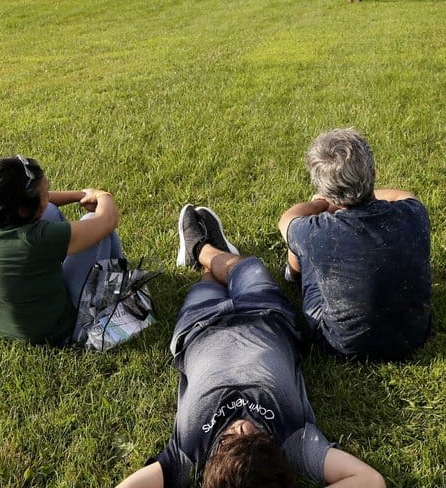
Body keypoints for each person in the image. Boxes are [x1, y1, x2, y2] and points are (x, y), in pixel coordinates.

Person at [116, 205, 385, 488]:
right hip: (265, 314)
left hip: (201, 325)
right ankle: (206, 251)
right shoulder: (296, 442)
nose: (242, 426)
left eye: (229, 439)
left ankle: (202, 253)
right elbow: (370, 480)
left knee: (208, 283)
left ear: (212, 461)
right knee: (249, 267)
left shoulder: (188, 452)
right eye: (257, 436)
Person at [279, 128, 431, 361]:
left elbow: (287, 220)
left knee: (302, 242)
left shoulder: (316, 231)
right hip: (412, 333)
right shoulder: (413, 212)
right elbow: (405, 195)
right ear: (373, 172)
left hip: (340, 343)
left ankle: (293, 274)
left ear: (323, 188)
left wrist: (323, 203)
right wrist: (355, 192)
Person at [0, 155, 125, 345]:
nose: (48, 196)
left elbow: (43, 203)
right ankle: (117, 289)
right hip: (53, 331)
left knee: (48, 211)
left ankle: (116, 279)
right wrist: (103, 195)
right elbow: (108, 220)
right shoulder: (36, 239)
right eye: (44, 193)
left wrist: (81, 195)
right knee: (95, 226)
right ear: (23, 209)